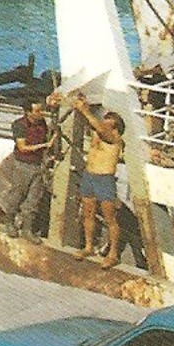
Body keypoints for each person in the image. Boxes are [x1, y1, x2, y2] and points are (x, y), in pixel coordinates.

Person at [71, 92, 126, 267]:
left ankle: (113, 253)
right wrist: (82, 104)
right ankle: (89, 246)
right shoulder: (99, 133)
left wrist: (85, 111)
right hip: (90, 176)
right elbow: (93, 124)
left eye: (108, 123)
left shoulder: (115, 139)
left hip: (104, 179)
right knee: (88, 214)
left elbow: (100, 128)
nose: (103, 124)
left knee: (110, 218)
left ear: (115, 128)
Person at [0, 98, 55, 239]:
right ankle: (9, 222)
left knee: (33, 199)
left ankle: (28, 230)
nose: (42, 113)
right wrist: (45, 146)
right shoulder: (19, 125)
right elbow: (22, 147)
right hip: (23, 165)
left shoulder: (42, 124)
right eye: (38, 111)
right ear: (28, 112)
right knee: (17, 195)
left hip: (38, 165)